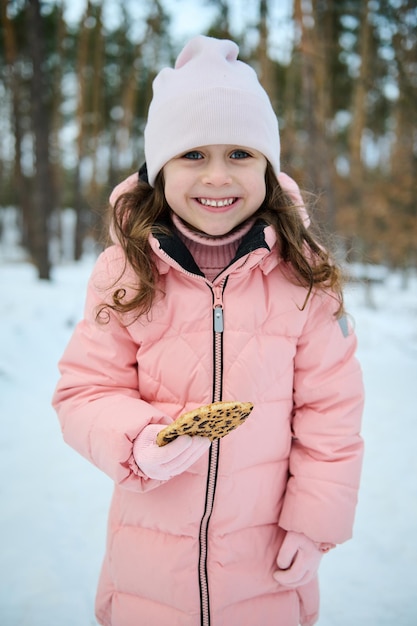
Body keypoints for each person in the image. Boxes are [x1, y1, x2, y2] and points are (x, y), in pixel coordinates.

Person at [52, 35, 364, 626]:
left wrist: (314, 523)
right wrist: (140, 440)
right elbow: (83, 392)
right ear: (159, 168)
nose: (218, 176)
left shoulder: (305, 275)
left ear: (268, 168)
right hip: (150, 572)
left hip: (264, 567)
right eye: (193, 154)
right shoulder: (124, 272)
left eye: (240, 155)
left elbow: (332, 412)